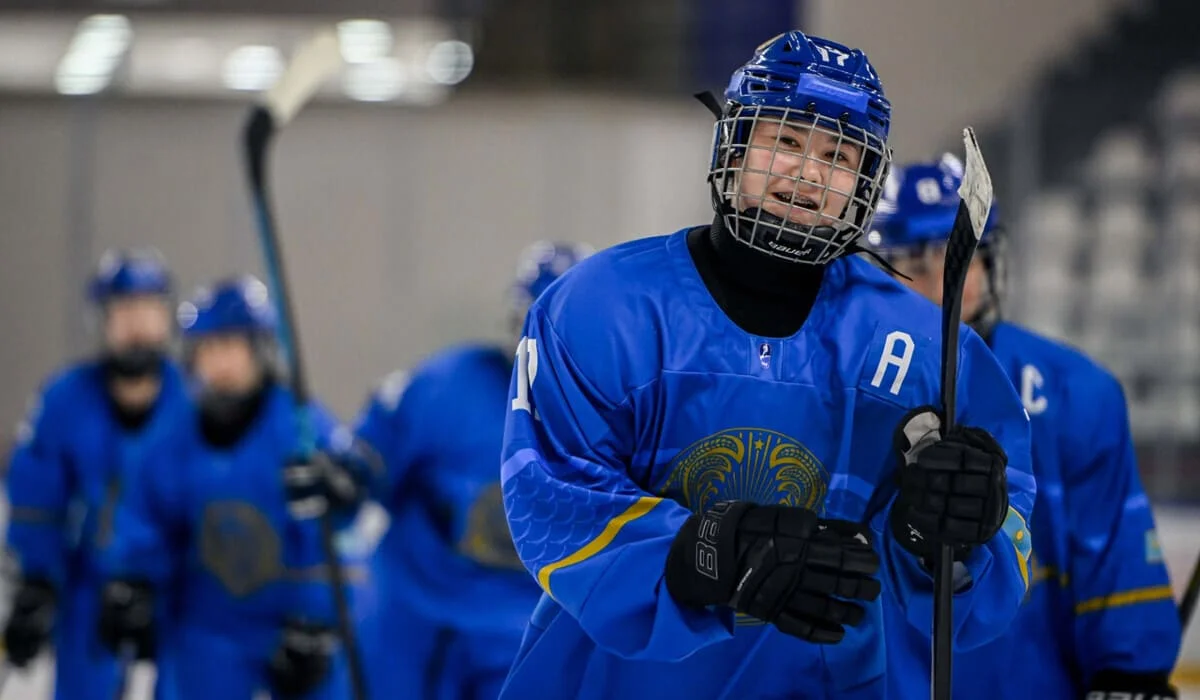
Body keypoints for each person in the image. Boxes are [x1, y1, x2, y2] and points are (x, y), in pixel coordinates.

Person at [497, 29, 1037, 699]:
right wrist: (720, 547)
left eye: (839, 157)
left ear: (864, 185)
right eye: (784, 141)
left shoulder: (926, 347)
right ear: (733, 141)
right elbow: (549, 497)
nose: (807, 175)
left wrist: (940, 528)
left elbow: (987, 572)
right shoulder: (601, 308)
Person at [870, 154, 1182, 699]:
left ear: (992, 264)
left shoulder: (1075, 393)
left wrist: (1130, 673)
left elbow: (1112, 549)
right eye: (915, 262)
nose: (945, 280)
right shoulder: (842, 388)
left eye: (961, 257)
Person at [97, 275, 369, 699]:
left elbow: (334, 537)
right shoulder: (174, 438)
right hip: (205, 633)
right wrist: (133, 587)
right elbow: (144, 520)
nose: (220, 364)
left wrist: (318, 624)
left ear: (259, 351)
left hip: (287, 629)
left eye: (232, 347)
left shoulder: (300, 431)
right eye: (208, 350)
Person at [354, 241, 592, 699]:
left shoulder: (615, 417)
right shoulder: (450, 384)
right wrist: (350, 472)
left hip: (520, 619)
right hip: (416, 606)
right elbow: (373, 453)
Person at [3, 248, 188, 700]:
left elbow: (213, 512)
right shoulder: (65, 399)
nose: (137, 326)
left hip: (178, 598)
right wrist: (38, 581)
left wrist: (167, 584)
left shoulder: (196, 406)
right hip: (86, 590)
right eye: (124, 311)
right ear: (102, 320)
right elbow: (36, 499)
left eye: (148, 309)